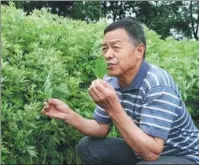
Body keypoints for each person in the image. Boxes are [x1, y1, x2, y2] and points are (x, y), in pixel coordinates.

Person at [42, 18, 199, 164]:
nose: (108, 55)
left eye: (116, 47)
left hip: (182, 156)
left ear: (139, 51)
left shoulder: (158, 85)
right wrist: (69, 115)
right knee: (88, 147)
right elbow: (101, 128)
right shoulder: (111, 80)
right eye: (104, 48)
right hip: (141, 151)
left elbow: (152, 154)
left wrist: (113, 108)